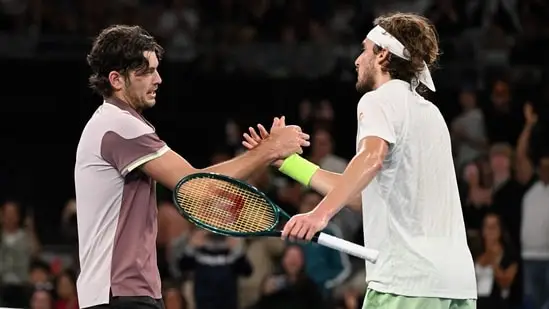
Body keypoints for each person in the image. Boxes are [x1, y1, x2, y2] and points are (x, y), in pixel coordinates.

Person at [243, 12, 477, 309]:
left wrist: (319, 215)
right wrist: (288, 163)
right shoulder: (431, 115)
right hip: (456, 285)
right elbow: (365, 197)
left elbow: (371, 158)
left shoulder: (377, 100)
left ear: (382, 56)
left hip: (405, 284)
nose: (357, 60)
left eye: (364, 50)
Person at [74, 24, 309, 309]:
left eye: (156, 69)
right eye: (145, 71)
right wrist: (270, 150)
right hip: (119, 294)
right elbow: (195, 187)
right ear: (116, 79)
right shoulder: (120, 126)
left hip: (123, 292)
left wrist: (264, 153)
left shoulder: (114, 124)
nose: (158, 78)